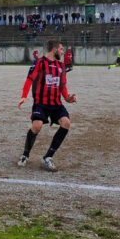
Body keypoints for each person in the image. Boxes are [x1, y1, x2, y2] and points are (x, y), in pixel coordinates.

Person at [17, 40, 77, 171]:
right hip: (41, 103)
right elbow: (29, 79)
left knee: (66, 123)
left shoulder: (61, 67)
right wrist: (24, 95)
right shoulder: (39, 63)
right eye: (61, 49)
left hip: (56, 103)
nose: (62, 52)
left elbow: (62, 86)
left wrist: (67, 98)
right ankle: (25, 155)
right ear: (54, 50)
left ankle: (48, 157)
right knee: (36, 126)